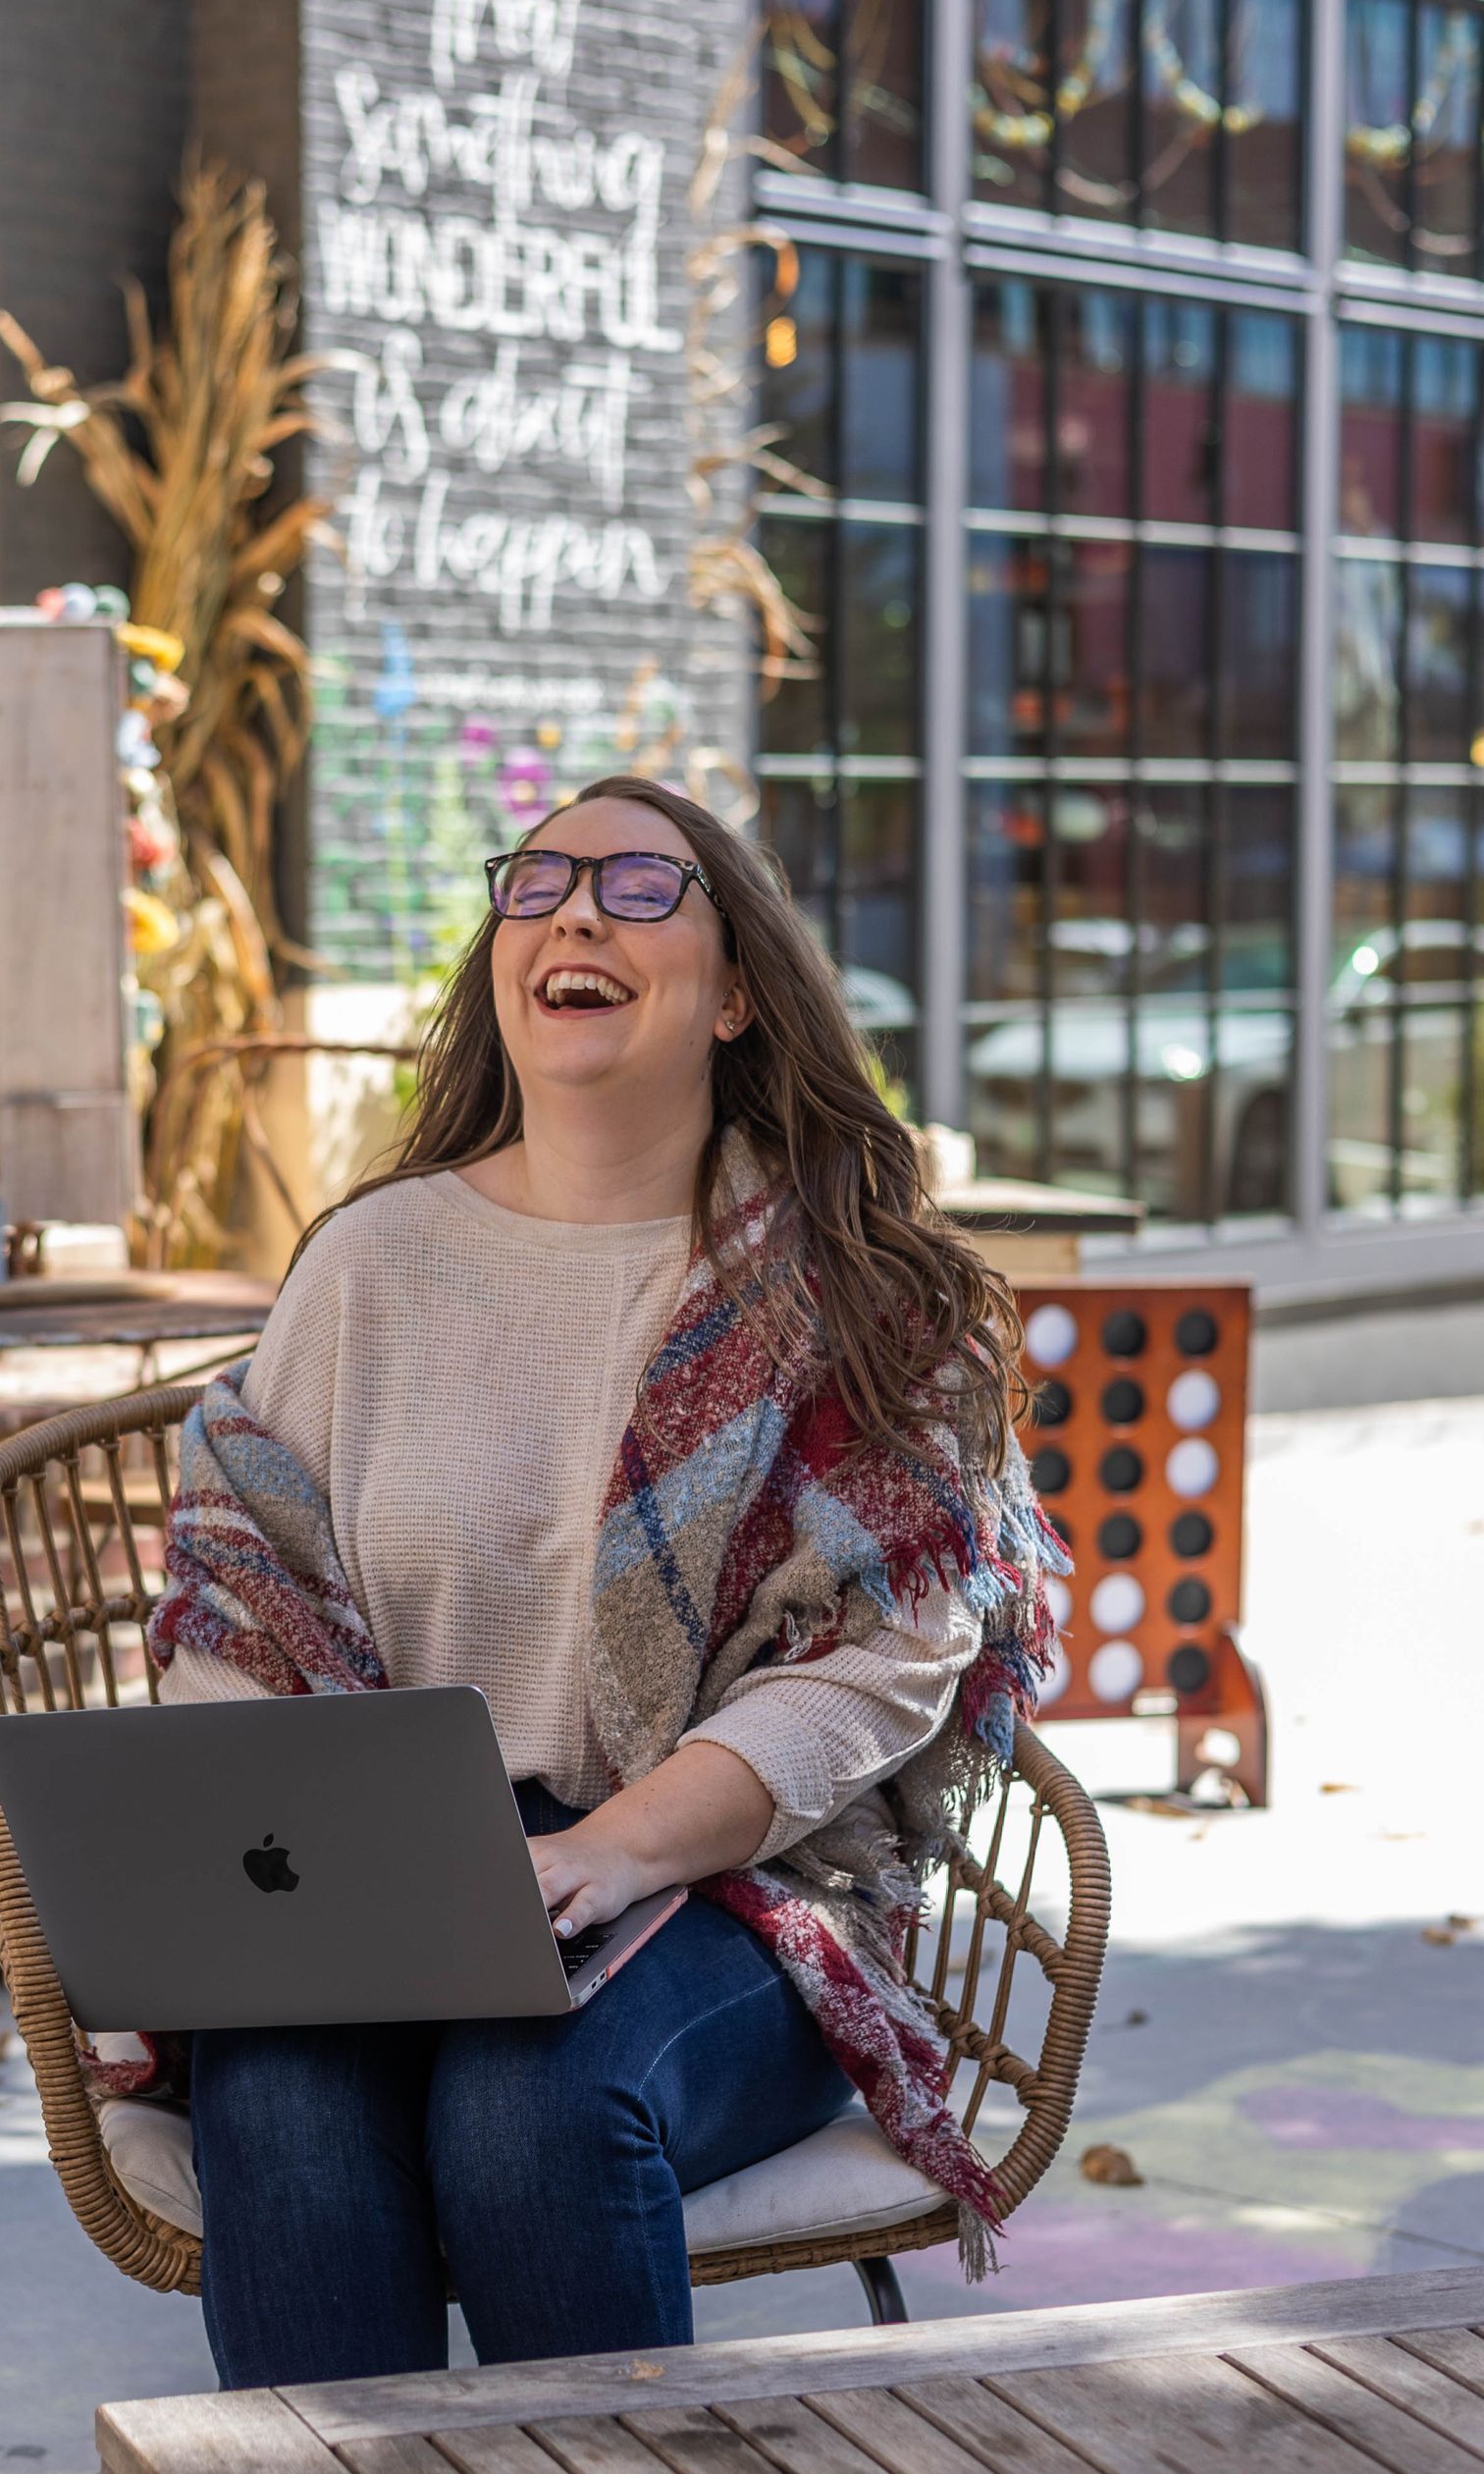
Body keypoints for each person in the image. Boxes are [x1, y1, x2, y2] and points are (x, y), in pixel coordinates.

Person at [150, 774, 1047, 2389]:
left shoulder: (844, 1288)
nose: (573, 911)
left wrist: (611, 1850)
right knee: (280, 2098)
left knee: (530, 2104)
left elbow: (888, 1656)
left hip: (738, 1887)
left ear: (737, 995)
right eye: (540, 882)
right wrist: (257, 1877)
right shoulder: (370, 1263)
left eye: (638, 888)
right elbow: (243, 1601)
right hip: (389, 1875)